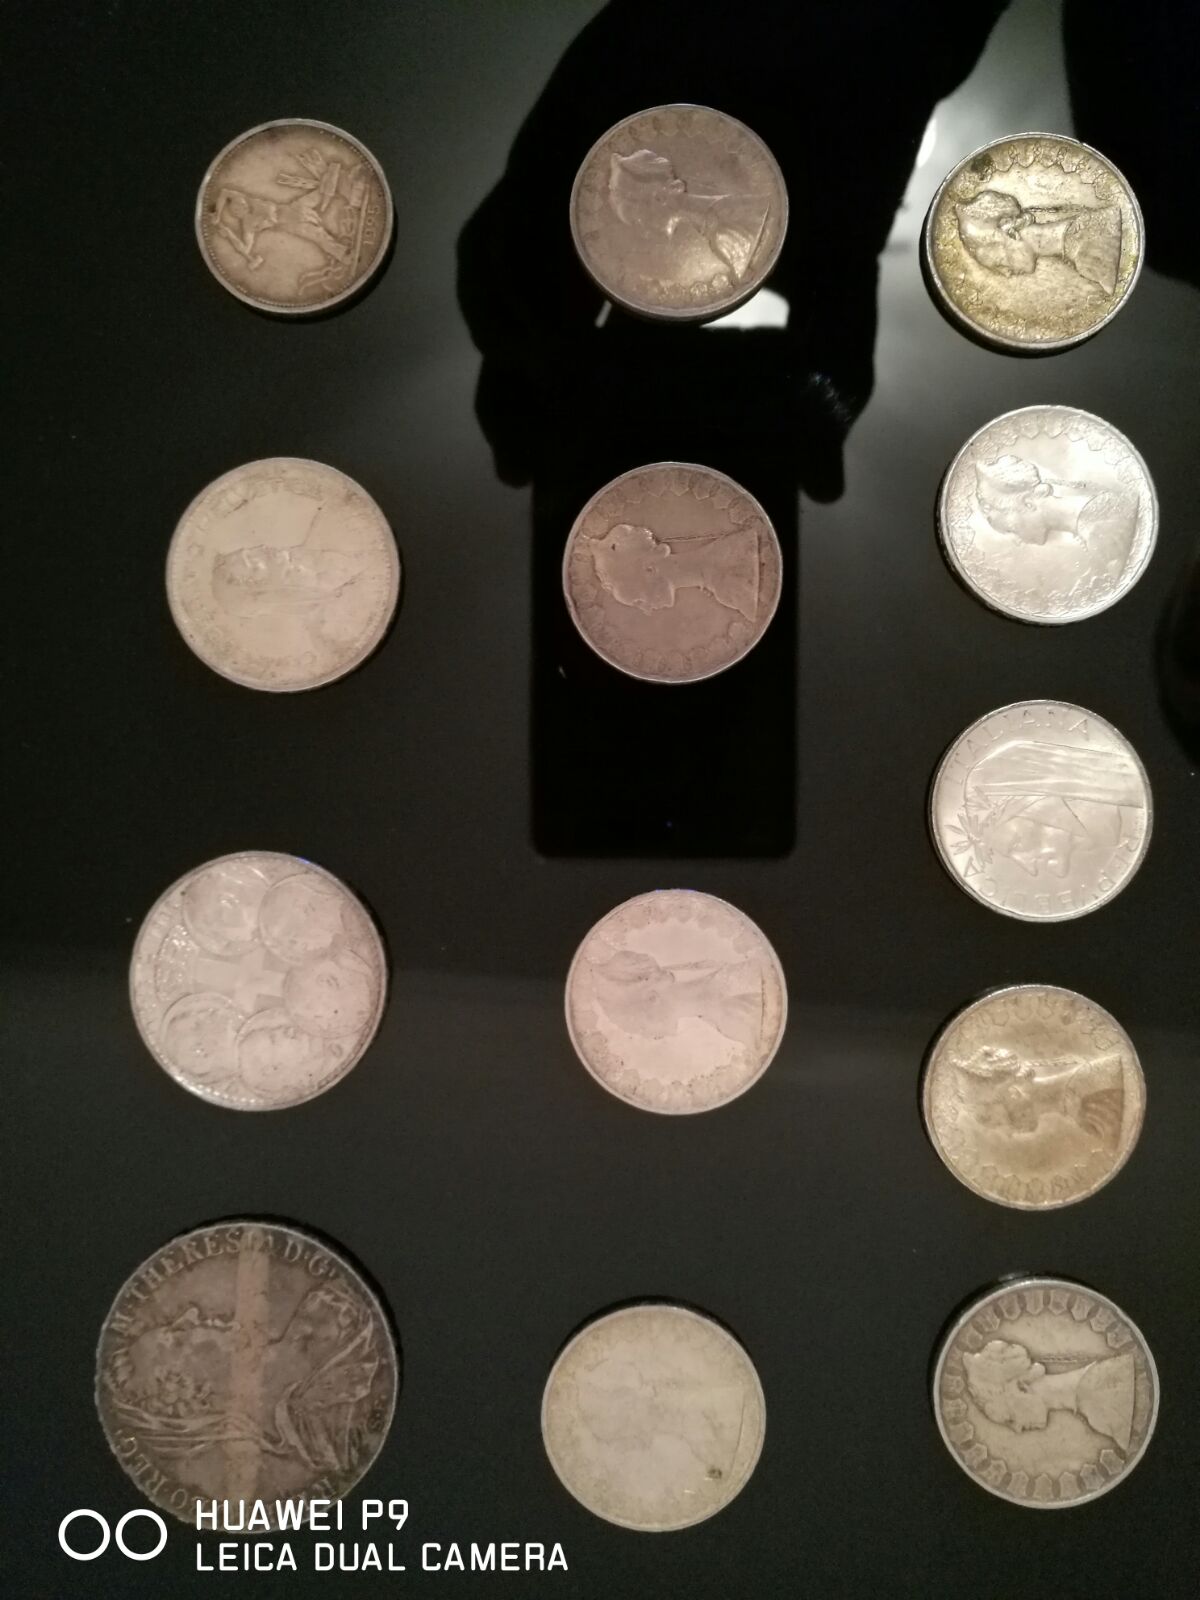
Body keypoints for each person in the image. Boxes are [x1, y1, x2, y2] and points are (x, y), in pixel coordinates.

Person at [963, 1338, 1135, 1453]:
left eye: (1010, 1418)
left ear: (1022, 1388)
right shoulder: (1094, 1410)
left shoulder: (1102, 1393)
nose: (1017, 1428)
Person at [956, 188, 1122, 294]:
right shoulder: (1081, 246)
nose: (1006, 273)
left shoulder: (1091, 248)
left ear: (1009, 230)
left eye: (1000, 262)